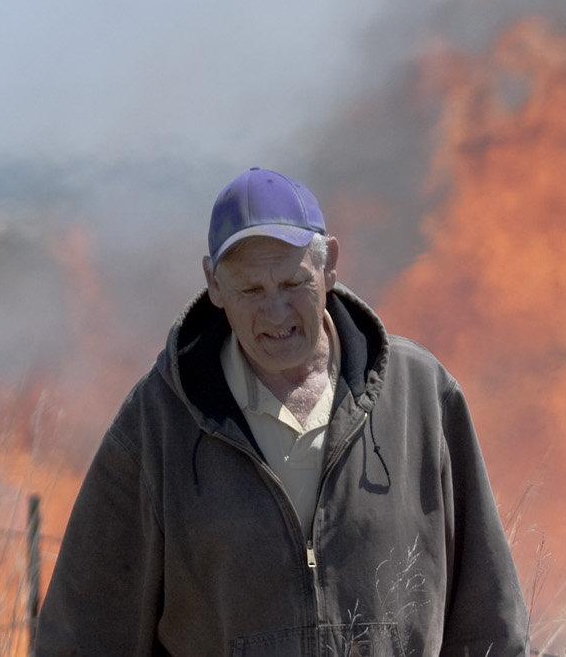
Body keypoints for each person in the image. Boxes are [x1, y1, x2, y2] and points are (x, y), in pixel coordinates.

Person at [36, 168, 528, 656]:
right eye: (251, 290)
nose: (275, 313)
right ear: (214, 284)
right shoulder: (159, 421)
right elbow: (82, 634)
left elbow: (489, 619)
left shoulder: (420, 395)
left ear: (329, 265)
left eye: (293, 283)